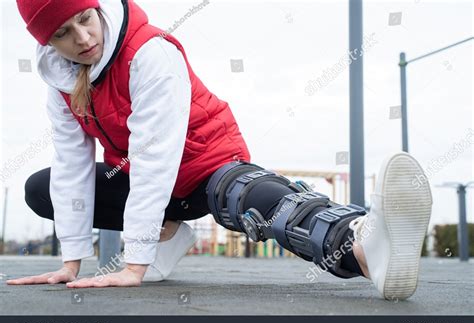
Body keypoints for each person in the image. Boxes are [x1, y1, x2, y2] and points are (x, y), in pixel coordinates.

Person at [8, 0, 433, 300]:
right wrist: (71, 261)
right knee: (41, 187)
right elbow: (71, 166)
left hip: (207, 165)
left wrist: (134, 264)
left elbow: (155, 154)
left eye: (85, 19)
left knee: (245, 198)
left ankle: (362, 243)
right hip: (152, 185)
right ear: (48, 44)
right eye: (63, 33)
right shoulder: (62, 85)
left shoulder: (148, 52)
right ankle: (167, 231)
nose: (82, 38)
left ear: (97, 8)